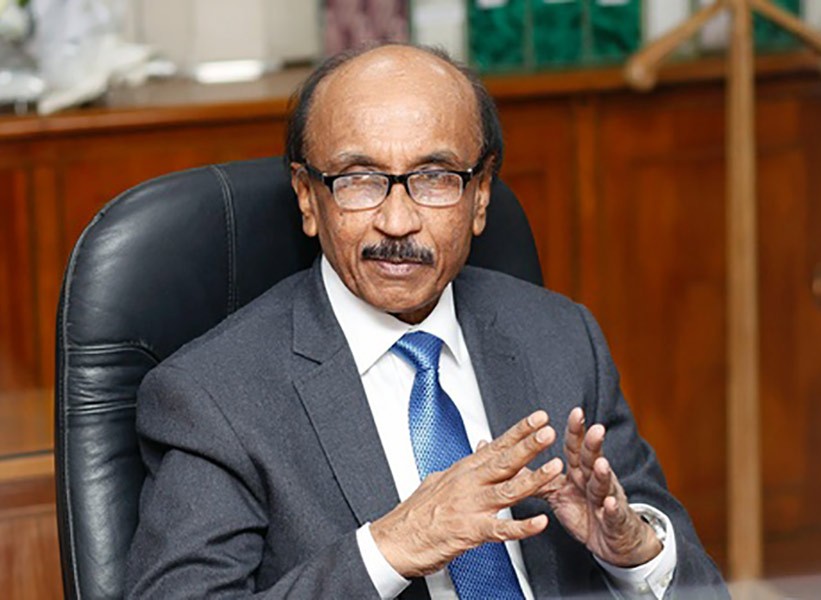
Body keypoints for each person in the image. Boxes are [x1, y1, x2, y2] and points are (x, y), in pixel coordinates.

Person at [124, 43, 728, 599]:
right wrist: (390, 547)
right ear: (308, 197)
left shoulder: (559, 337)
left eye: (435, 178)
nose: (397, 222)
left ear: (481, 194)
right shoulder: (214, 398)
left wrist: (635, 557)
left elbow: (701, 587)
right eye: (359, 180)